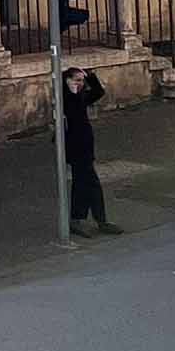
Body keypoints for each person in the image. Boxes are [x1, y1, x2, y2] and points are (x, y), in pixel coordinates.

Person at [62, 66, 118, 238]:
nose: (80, 84)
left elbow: (98, 92)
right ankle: (85, 219)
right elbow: (74, 111)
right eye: (76, 80)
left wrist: (90, 76)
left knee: (86, 183)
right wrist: (72, 91)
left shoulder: (79, 96)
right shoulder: (66, 97)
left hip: (85, 146)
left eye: (81, 81)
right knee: (87, 183)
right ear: (67, 81)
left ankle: (90, 219)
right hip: (75, 146)